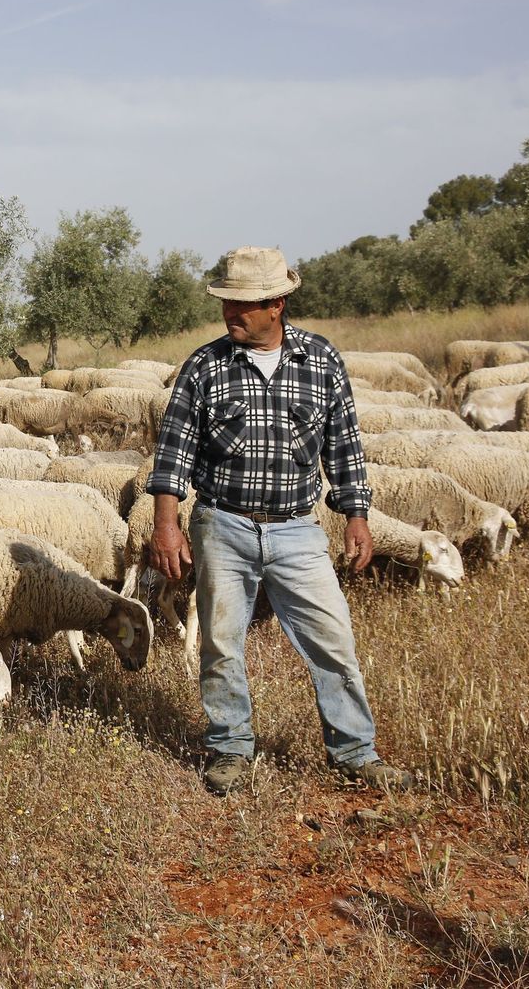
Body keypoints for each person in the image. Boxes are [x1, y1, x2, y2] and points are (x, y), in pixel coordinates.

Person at [144, 245, 411, 796]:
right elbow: (173, 455)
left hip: (297, 529)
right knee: (221, 642)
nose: (231, 314)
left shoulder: (321, 360)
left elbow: (344, 445)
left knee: (333, 640)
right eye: (227, 304)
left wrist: (356, 517)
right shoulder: (204, 365)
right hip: (223, 524)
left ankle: (355, 752)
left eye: (244, 305)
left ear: (278, 304)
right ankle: (230, 748)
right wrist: (166, 526)